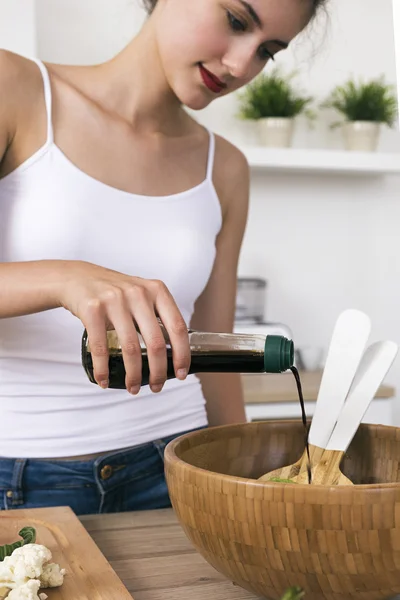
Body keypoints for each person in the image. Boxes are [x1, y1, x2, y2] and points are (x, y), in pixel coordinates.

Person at [0, 0, 327, 515]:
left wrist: (245, 488)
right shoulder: (15, 88)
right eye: (237, 21)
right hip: (22, 480)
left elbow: (217, 356)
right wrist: (64, 277)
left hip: (177, 468)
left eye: (267, 51)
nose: (241, 66)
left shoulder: (226, 169)